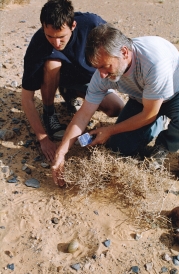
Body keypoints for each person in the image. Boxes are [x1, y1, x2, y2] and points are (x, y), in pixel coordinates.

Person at [52, 23, 179, 186]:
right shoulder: (102, 74)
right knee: (119, 147)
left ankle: (164, 145)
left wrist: (110, 130)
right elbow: (84, 114)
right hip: (143, 99)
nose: (101, 74)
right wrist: (62, 151)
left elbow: (148, 115)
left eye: (105, 66)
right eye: (97, 67)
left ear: (124, 52)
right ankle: (158, 120)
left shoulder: (154, 61)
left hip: (177, 92)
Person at [21, 1, 124, 162]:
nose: (56, 43)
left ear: (73, 25)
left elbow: (120, 52)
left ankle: (71, 92)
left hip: (89, 79)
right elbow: (27, 97)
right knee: (52, 63)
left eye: (61, 37)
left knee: (116, 109)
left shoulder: (93, 25)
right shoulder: (38, 43)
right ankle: (49, 112)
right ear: (43, 27)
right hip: (59, 76)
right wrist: (43, 139)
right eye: (50, 36)